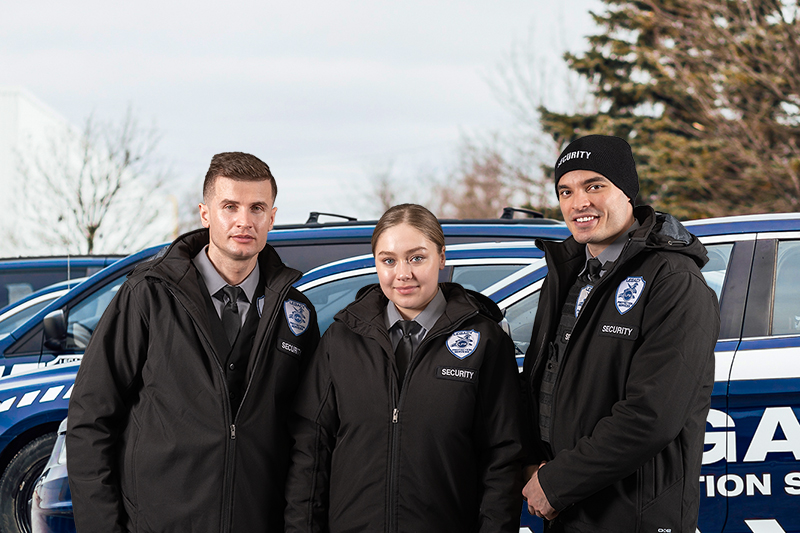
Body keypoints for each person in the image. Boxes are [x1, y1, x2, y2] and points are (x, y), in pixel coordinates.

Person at [66, 152, 320, 533]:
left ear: (272, 216)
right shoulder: (148, 295)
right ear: (205, 213)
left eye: (257, 208)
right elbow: (91, 418)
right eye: (229, 206)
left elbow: (307, 436)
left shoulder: (295, 313)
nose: (244, 221)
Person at [521, 135, 719, 532]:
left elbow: (652, 414)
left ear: (627, 192)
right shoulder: (568, 277)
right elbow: (545, 384)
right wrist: (534, 464)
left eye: (595, 186)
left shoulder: (673, 280)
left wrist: (556, 482)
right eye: (566, 191)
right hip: (570, 509)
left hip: (633, 515)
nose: (579, 203)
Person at [284, 203, 523, 533]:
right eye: (389, 260)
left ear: (441, 257)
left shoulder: (485, 341)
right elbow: (311, 451)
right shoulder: (341, 339)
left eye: (417, 257)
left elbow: (502, 459)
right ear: (377, 264)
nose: (403, 274)